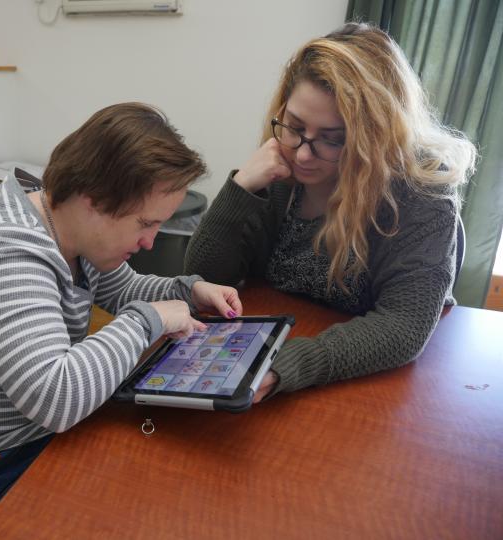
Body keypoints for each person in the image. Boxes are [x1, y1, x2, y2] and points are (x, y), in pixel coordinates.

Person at [0, 102, 242, 537]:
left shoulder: (71, 227)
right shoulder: (6, 251)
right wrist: (147, 320)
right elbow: (54, 398)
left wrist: (186, 291)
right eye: (145, 223)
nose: (150, 240)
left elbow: (123, 290)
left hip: (23, 434)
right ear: (93, 199)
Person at [184, 23, 477, 400]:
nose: (303, 153)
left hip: (373, 381)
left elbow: (403, 325)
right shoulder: (282, 168)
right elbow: (205, 276)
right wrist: (240, 188)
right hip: (285, 335)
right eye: (294, 126)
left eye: (333, 139)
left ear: (376, 137)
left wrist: (284, 365)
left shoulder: (423, 197)